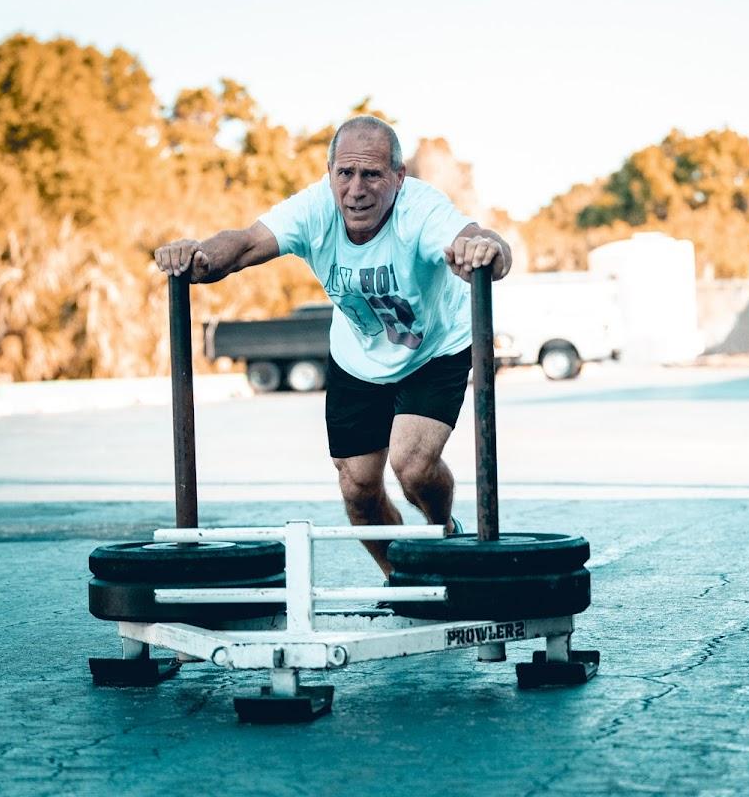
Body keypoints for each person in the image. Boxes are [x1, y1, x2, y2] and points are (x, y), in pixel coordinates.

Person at [154, 116, 511, 576]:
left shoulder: (420, 210)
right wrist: (197, 257)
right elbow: (242, 245)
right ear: (330, 174)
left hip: (434, 350)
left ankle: (444, 535)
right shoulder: (314, 210)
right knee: (358, 488)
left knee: (413, 465)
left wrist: (486, 251)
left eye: (372, 174)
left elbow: (480, 242)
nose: (356, 189)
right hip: (357, 359)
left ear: (398, 178)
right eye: (345, 174)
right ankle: (399, 578)